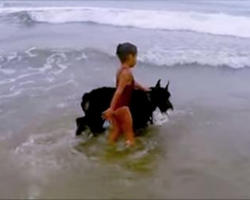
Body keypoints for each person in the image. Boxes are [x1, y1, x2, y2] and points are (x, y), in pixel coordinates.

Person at [102, 43, 149, 146]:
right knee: (129, 135)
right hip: (123, 109)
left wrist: (142, 88)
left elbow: (131, 83)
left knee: (116, 131)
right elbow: (119, 91)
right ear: (130, 56)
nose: (136, 60)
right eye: (136, 57)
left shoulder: (121, 70)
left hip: (118, 108)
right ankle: (133, 157)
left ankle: (108, 150)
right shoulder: (126, 73)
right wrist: (111, 108)